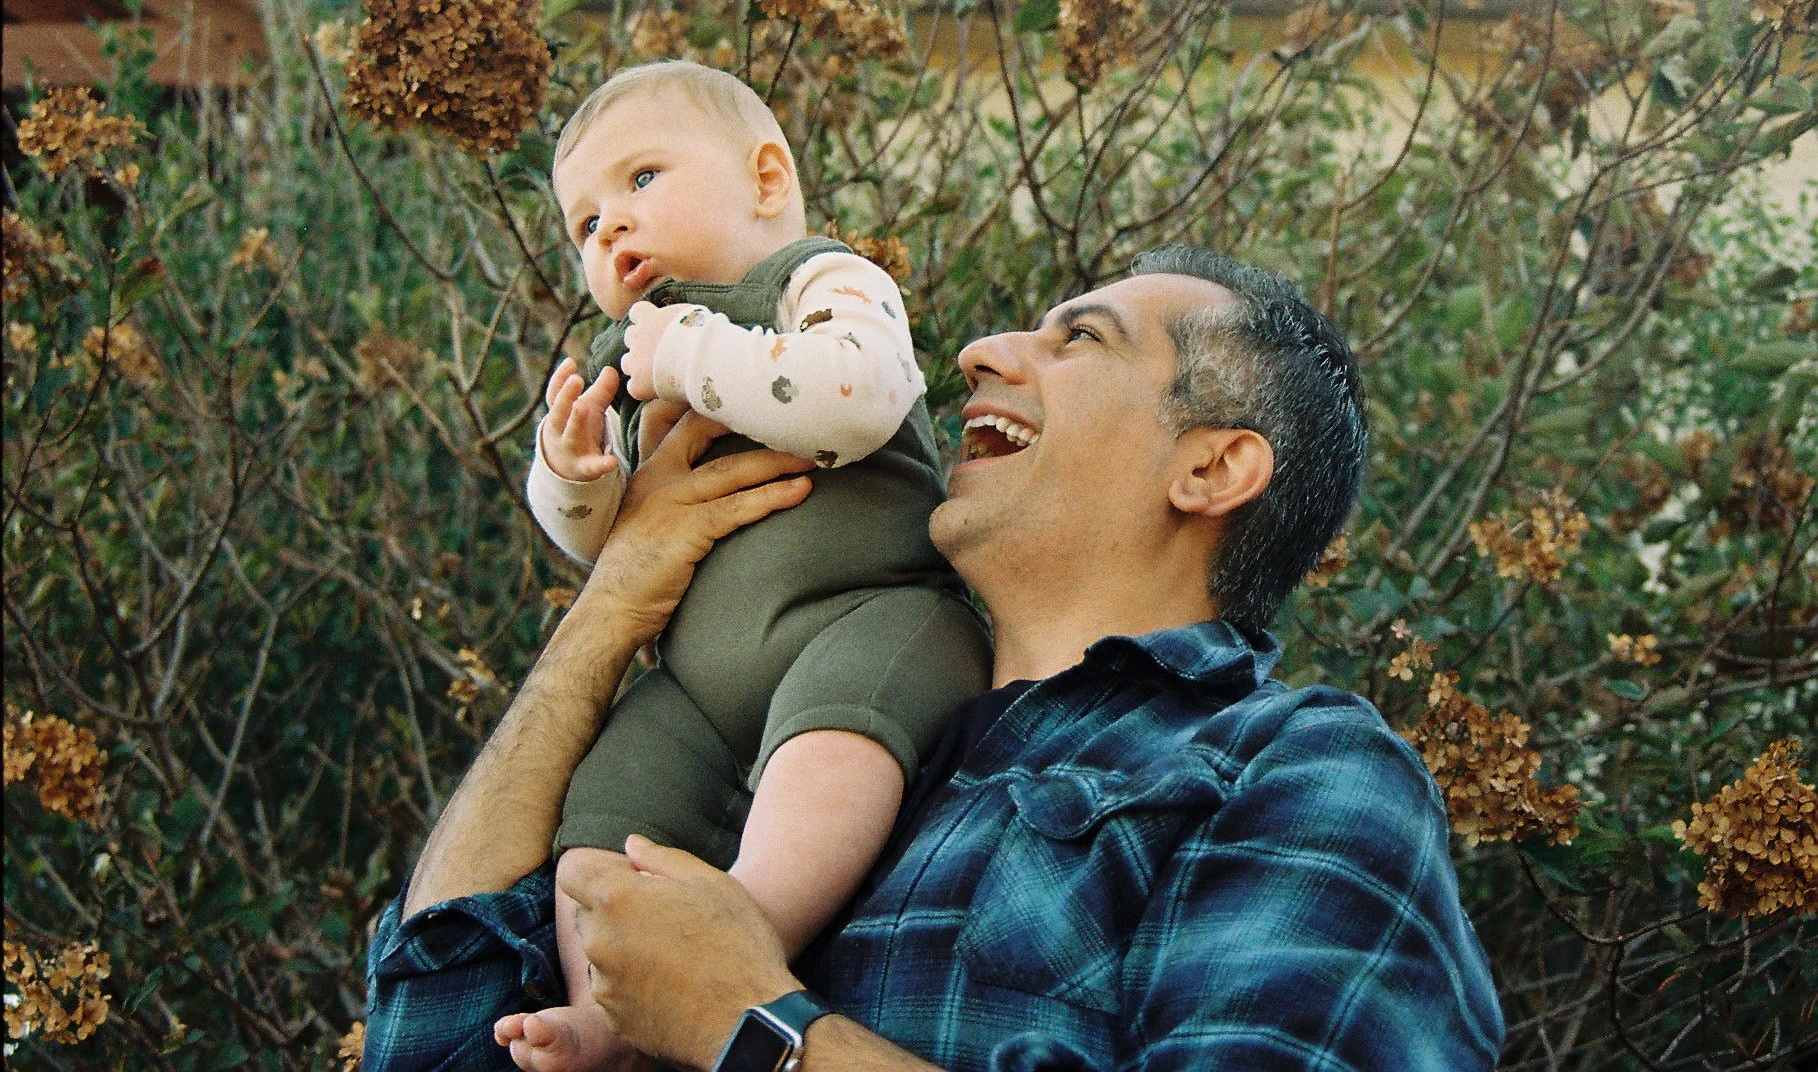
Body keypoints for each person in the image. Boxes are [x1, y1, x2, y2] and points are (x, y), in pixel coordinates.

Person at [365, 247, 1506, 1072]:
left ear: (1210, 470)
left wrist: (751, 1023)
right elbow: (433, 1024)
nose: (979, 350)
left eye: (1081, 338)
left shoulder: (1291, 771)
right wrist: (612, 604)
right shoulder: (824, 732)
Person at [509, 61, 990, 1068]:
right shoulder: (628, 348)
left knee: (839, 749)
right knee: (603, 811)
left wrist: (690, 354)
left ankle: (742, 933)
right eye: (587, 225)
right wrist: (576, 472)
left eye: (641, 180)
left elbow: (853, 396)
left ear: (767, 180)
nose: (614, 230)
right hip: (694, 682)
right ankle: (609, 1000)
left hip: (863, 614)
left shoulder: (822, 280)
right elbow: (605, 546)